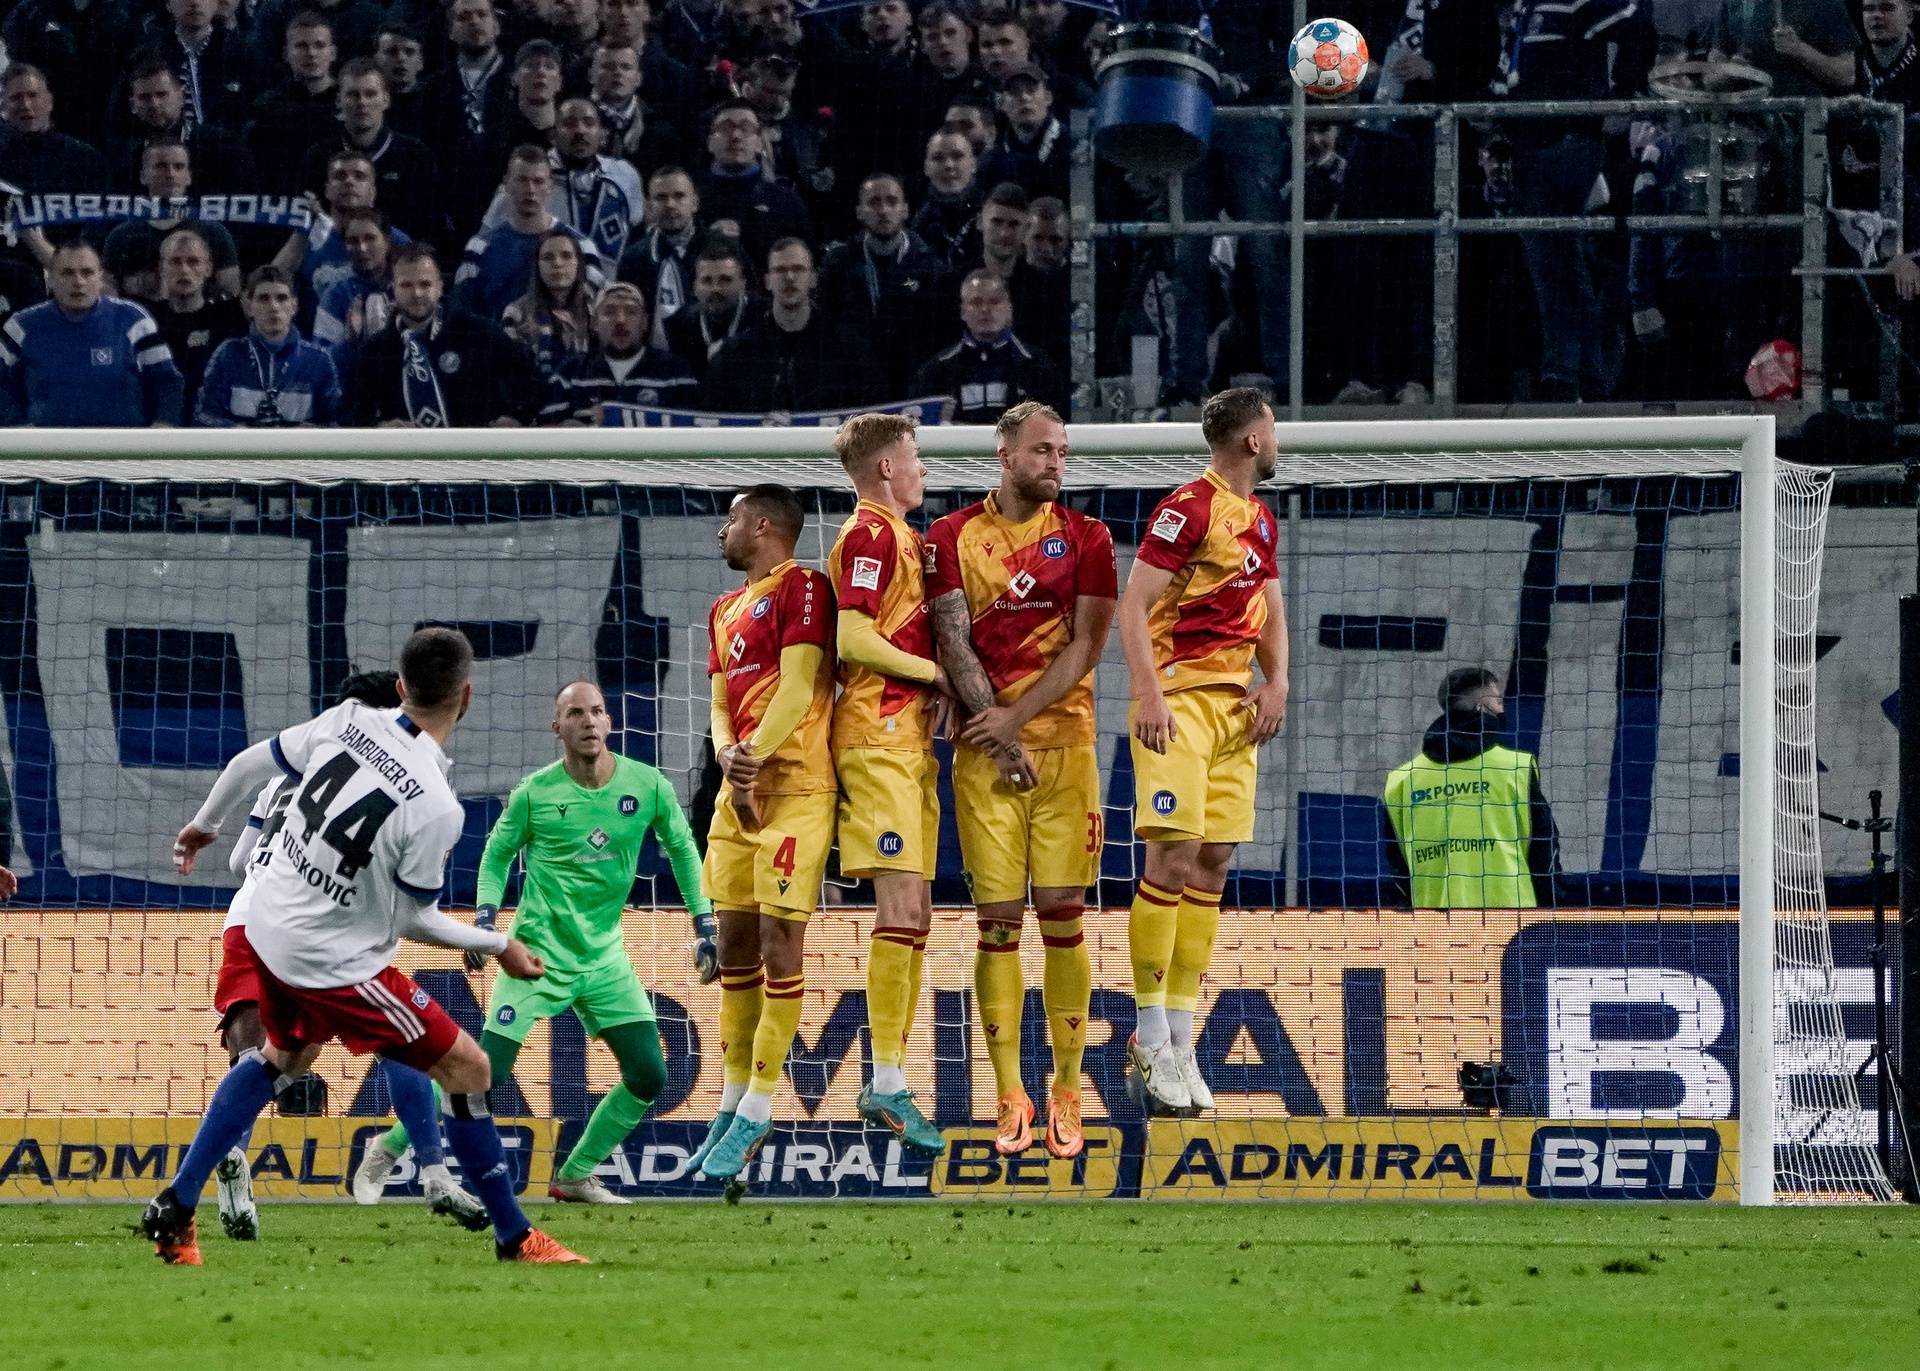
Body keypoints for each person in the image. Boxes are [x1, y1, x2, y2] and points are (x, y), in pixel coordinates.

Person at [145, 627, 588, 1266]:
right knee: (470, 1069)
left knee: (281, 1058)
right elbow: (415, 920)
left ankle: (177, 1206)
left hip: (266, 927)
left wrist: (203, 827)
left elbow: (248, 762)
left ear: (400, 687)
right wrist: (500, 945)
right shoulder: (436, 806)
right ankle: (515, 1237)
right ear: (466, 697)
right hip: (332, 961)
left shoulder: (347, 720)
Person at [358, 680, 710, 1205]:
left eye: (597, 711)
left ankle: (575, 1174)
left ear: (609, 722)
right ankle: (388, 1146)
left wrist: (705, 925)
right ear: (558, 727)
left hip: (604, 956)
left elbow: (683, 850)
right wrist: (484, 922)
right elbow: (497, 855)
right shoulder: (535, 793)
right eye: (575, 713)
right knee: (485, 1072)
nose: (588, 721)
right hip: (535, 956)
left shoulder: (648, 786)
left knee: (649, 1073)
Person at [201, 669, 483, 1240]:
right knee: (401, 1048)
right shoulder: (403, 777)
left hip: (254, 913)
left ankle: (230, 1165)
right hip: (335, 926)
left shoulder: (285, 777)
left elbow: (238, 862)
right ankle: (434, 1171)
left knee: (257, 1053)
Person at [925, 401, 1114, 1159]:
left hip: (1067, 748)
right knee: (998, 923)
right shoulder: (949, 536)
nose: (1055, 463)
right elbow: (950, 634)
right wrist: (996, 732)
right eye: (1042, 451)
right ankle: (1010, 1092)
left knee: (1063, 915)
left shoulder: (1089, 538)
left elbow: (1087, 647)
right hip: (982, 754)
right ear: (1004, 455)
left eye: (1062, 452)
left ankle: (1068, 1086)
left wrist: (1016, 717)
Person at [1117, 387, 1288, 1117]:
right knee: (1173, 855)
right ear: (1251, 439)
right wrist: (1150, 695)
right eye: (1273, 427)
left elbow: (1271, 605)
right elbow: (1132, 604)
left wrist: (1278, 680)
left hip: (1235, 708)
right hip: (1179, 702)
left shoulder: (1260, 518)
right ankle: (1149, 1033)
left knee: (1214, 862)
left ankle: (1181, 1037)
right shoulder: (1188, 506)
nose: (1278, 438)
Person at [685, 485, 839, 1183]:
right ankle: (728, 1104)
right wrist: (727, 755)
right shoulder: (721, 609)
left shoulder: (803, 586)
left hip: (796, 791)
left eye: (732, 519)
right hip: (736, 796)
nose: (723, 531)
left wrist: (754, 757)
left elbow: (802, 684)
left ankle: (761, 1104)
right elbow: (720, 701)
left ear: (764, 524)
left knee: (782, 944)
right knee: (735, 947)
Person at [825, 413, 950, 1159]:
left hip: (906, 742)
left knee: (917, 911)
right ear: (884, 472)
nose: (923, 470)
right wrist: (935, 673)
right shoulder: (870, 534)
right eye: (916, 459)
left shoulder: (901, 536)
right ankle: (886, 1079)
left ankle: (892, 1075)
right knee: (901, 904)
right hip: (875, 738)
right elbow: (852, 636)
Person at [1384, 667, 1559, 909]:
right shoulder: (1515, 767)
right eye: (1497, 701)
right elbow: (1544, 850)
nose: (1502, 709)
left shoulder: (1401, 780)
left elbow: (1398, 865)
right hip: (1512, 921)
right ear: (1481, 708)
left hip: (1432, 924)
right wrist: (1550, 909)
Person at [352, 245, 548, 427]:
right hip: (405, 459)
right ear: (393, 288)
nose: (417, 293)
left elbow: (532, 381)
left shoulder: (478, 332)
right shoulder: (374, 350)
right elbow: (354, 413)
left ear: (440, 287)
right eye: (406, 285)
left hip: (475, 456)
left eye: (425, 284)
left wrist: (516, 417)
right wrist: (378, 429)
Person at [0, 241, 184, 427]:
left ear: (100, 278)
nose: (78, 282)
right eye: (67, 273)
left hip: (123, 448)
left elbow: (167, 382)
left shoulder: (133, 320)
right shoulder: (21, 327)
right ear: (50, 280)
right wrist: (17, 427)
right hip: (46, 450)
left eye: (87, 273)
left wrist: (164, 424)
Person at [703, 238, 878, 414]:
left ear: (813, 279)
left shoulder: (850, 350)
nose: (789, 277)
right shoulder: (733, 356)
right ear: (767, 281)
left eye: (798, 269)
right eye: (780, 270)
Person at [818, 173, 949, 398]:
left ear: (905, 209)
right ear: (859, 211)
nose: (883, 210)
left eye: (891, 201)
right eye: (874, 202)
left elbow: (940, 334)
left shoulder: (931, 267)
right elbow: (826, 325)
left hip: (914, 386)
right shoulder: (838, 264)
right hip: (854, 387)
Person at [301, 59, 445, 248]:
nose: (362, 102)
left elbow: (429, 227)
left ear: (386, 99)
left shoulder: (415, 156)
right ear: (338, 100)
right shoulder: (319, 157)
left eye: (370, 94)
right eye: (353, 95)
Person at [485, 98, 647, 265]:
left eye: (589, 123)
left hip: (610, 287)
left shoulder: (624, 175)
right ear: (553, 135)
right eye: (569, 124)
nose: (580, 131)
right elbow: (487, 242)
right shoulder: (529, 177)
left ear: (602, 135)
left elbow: (639, 240)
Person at [457, 146, 607, 324]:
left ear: (550, 186)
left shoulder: (582, 248)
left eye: (538, 181)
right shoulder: (479, 248)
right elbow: (463, 313)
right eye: (522, 180)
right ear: (507, 184)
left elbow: (594, 315)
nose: (530, 190)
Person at [195, 266, 344, 426]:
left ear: (294, 306)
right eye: (264, 298)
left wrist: (309, 434)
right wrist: (239, 433)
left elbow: (334, 422)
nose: (273, 307)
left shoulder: (318, 361)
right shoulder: (228, 355)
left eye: (281, 298)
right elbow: (204, 415)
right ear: (249, 306)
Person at [912, 270, 1066, 424]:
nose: (985, 309)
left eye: (994, 301)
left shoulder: (1038, 366)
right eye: (976, 302)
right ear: (963, 311)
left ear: (1009, 309)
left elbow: (1055, 426)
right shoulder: (937, 370)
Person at [103, 140, 243, 302]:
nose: (170, 174)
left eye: (178, 167)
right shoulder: (121, 236)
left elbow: (231, 293)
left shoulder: (214, 233)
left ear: (188, 176)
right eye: (161, 166)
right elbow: (107, 296)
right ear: (143, 176)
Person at [541, 281, 699, 421]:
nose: (620, 320)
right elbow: (543, 432)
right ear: (594, 322)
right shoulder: (570, 373)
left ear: (645, 322)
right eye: (609, 312)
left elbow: (695, 434)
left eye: (631, 312)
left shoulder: (676, 373)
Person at [694, 102, 811, 275]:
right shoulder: (692, 201)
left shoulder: (786, 203)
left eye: (745, 128)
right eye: (725, 128)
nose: (735, 135)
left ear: (759, 142)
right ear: (710, 142)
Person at [139, 228, 247, 415]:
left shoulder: (231, 315)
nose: (184, 270)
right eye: (175, 261)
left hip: (214, 427)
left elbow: (275, 277)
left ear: (208, 268)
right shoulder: (145, 319)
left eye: (193, 261)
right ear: (161, 268)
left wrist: (304, 228)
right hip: (159, 426)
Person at [114, 58, 259, 196]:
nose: (154, 104)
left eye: (162, 94)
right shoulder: (128, 160)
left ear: (181, 96)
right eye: (144, 97)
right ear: (133, 105)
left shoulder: (224, 147)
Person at [247, 12, 342, 195]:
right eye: (301, 46)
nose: (311, 53)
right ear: (286, 54)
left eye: (319, 45)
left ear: (333, 53)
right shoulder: (266, 106)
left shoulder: (347, 103)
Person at [616, 166, 702, 346]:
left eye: (679, 196)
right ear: (648, 206)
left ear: (695, 202)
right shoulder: (633, 259)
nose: (670, 204)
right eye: (661, 198)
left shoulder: (723, 251)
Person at [501, 228, 595, 382]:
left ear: (578, 263)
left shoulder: (597, 310)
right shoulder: (517, 313)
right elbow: (511, 371)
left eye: (566, 256)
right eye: (548, 257)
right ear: (537, 265)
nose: (557, 263)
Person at [0, 63, 110, 194]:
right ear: (4, 106)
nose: (25, 105)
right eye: (16, 98)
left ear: (49, 101)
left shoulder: (85, 160)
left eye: (33, 95)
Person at [663, 236, 759, 380]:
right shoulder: (678, 325)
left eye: (725, 280)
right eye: (707, 281)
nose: (715, 289)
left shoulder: (763, 318)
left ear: (742, 284)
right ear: (695, 287)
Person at [313, 209, 397, 369]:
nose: (362, 248)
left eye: (370, 238)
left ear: (387, 241)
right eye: (353, 240)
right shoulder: (335, 294)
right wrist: (349, 341)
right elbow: (322, 364)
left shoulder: (408, 285)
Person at [979, 64, 1069, 201]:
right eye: (1014, 92)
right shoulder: (993, 160)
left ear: (1048, 98)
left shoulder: (1073, 145)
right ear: (1001, 104)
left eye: (1031, 90)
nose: (1024, 98)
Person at [912, 123, 982, 266]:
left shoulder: (993, 213)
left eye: (957, 156)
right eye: (938, 158)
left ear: (974, 164)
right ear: (926, 168)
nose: (948, 165)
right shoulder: (917, 223)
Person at [1018, 195, 1070, 367]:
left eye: (1056, 240)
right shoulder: (1008, 281)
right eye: (1038, 238)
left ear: (1068, 240)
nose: (1047, 249)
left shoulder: (1085, 280)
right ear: (1024, 237)